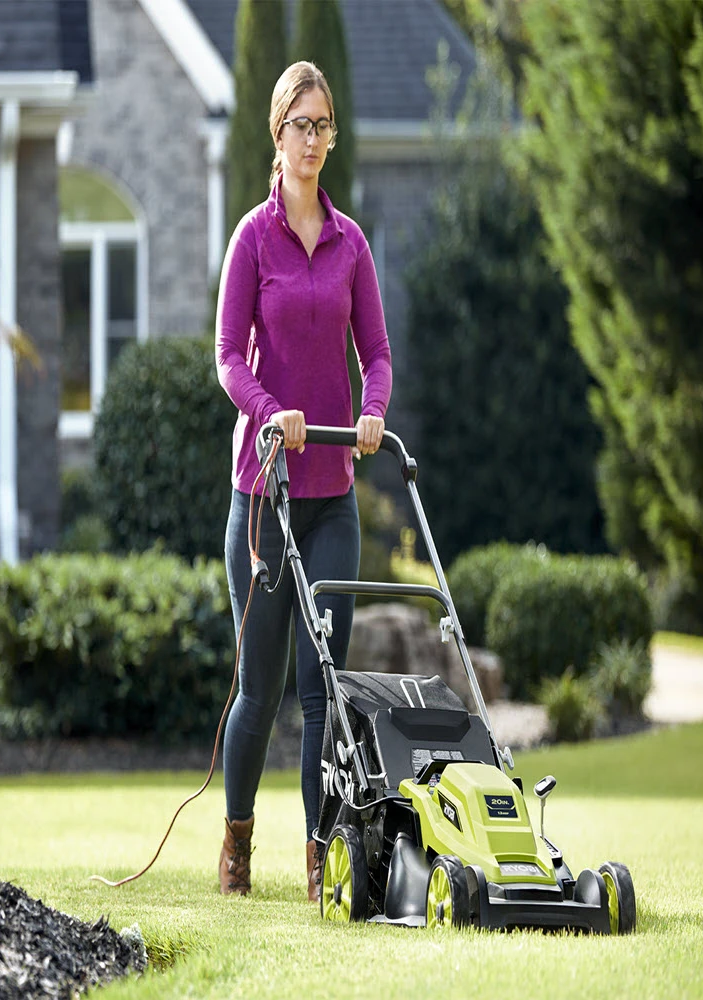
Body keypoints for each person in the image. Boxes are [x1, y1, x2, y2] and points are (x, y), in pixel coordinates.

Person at [214, 61, 392, 901]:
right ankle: (237, 842)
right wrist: (269, 409)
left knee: (325, 689)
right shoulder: (253, 239)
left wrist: (372, 412)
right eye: (301, 125)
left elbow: (376, 352)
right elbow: (226, 357)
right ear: (277, 134)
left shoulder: (351, 243)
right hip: (263, 498)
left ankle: (321, 857)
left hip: (332, 500)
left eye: (324, 126)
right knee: (260, 691)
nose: (313, 140)